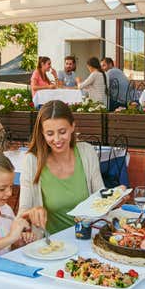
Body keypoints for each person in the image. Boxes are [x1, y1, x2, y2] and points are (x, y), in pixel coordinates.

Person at [19, 100, 105, 234]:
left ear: (72, 127)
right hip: (52, 243)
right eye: (50, 134)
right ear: (42, 133)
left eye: (62, 131)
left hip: (88, 236)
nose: (57, 139)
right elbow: (22, 212)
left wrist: (115, 198)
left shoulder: (87, 152)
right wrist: (32, 212)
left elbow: (101, 196)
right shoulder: (31, 161)